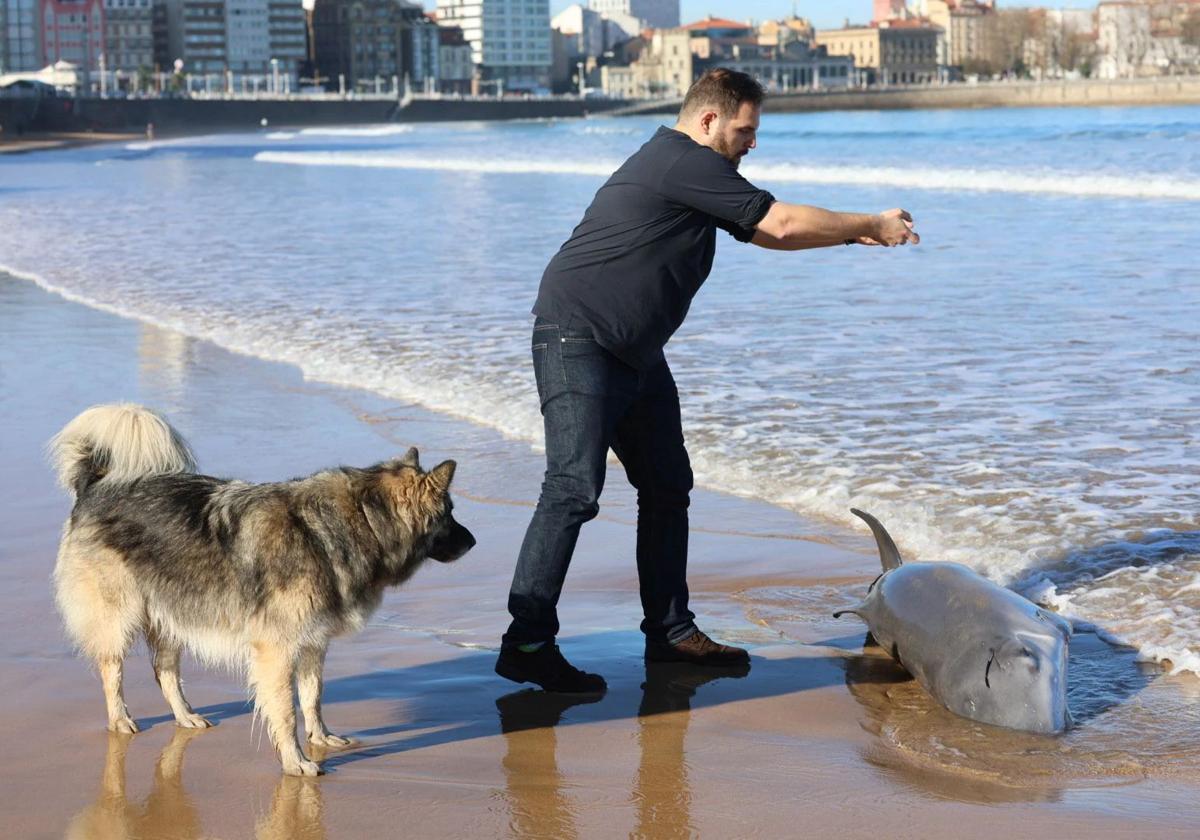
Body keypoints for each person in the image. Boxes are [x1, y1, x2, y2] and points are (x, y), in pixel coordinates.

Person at [495, 68, 919, 693]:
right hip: (578, 338)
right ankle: (527, 640)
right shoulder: (681, 160)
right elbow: (780, 223)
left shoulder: (694, 172)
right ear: (709, 120)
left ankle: (670, 634)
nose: (753, 143)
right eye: (746, 130)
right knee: (573, 488)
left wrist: (854, 233)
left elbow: (762, 232)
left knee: (668, 484)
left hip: (633, 350)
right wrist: (872, 222)